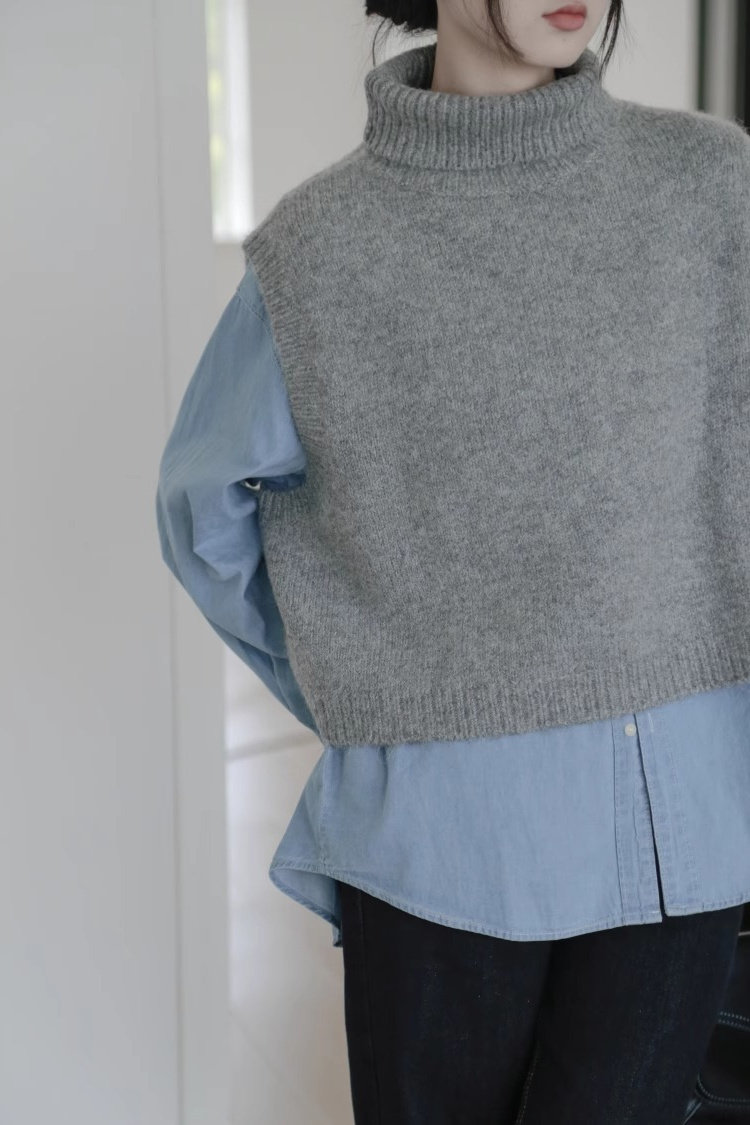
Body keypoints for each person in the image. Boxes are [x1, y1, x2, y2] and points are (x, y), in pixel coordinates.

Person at [155, 1, 750, 1121]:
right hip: (441, 851)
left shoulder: (713, 187)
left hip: (685, 836)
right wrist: (366, 678)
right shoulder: (320, 248)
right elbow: (200, 511)